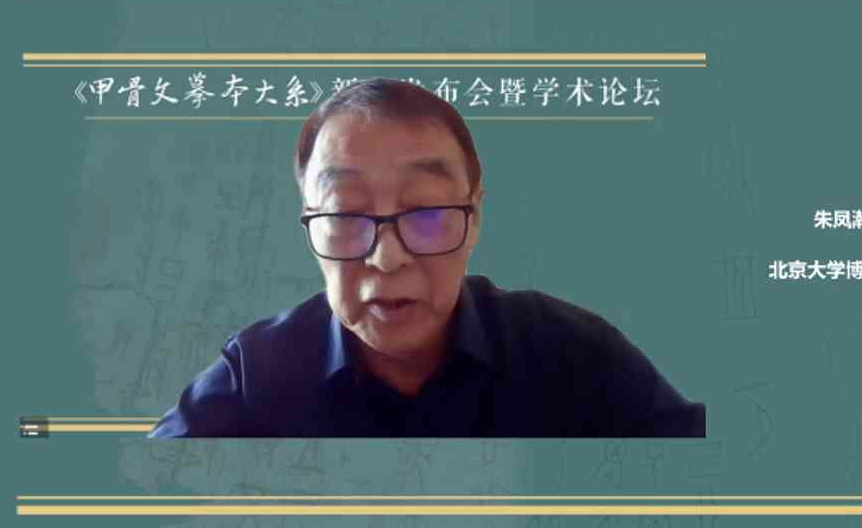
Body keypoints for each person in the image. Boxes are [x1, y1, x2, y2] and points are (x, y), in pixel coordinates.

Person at [150, 78, 706, 437]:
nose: (388, 258)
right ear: (310, 221)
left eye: (426, 212)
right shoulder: (258, 376)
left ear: (475, 215)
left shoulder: (573, 357)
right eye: (346, 213)